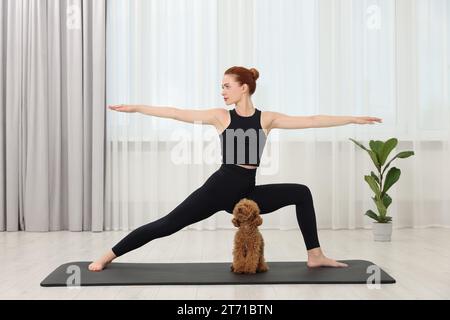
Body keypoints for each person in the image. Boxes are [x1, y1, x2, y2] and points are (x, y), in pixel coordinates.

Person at [89, 66, 382, 271]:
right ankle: (107, 255)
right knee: (167, 225)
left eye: (227, 86)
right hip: (219, 189)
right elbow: (176, 113)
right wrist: (138, 108)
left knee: (301, 193)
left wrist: (353, 119)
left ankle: (315, 255)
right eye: (221, 87)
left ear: (244, 88)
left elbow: (314, 120)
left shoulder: (267, 118)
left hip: (246, 193)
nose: (222, 91)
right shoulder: (221, 117)